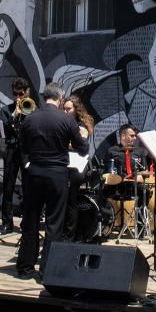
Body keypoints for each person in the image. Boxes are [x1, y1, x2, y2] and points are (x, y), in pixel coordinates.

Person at [16, 81, 89, 277]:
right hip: (57, 173)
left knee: (30, 219)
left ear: (43, 97)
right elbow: (83, 149)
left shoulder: (29, 119)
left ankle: (25, 267)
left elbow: (21, 148)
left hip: (34, 172)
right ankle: (48, 269)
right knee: (54, 222)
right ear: (61, 97)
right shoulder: (66, 120)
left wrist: (28, 165)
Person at [0, 77, 32, 233]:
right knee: (8, 186)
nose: (18, 97)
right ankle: (7, 222)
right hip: (12, 149)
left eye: (21, 94)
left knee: (28, 187)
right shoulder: (6, 110)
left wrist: (26, 113)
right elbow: (5, 131)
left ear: (27, 92)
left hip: (27, 151)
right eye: (15, 94)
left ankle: (27, 221)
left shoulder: (32, 108)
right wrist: (14, 114)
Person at [63, 94, 94, 240]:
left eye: (68, 109)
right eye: (63, 108)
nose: (65, 111)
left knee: (71, 200)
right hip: (66, 164)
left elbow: (78, 143)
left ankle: (70, 234)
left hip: (77, 166)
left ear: (76, 110)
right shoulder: (65, 123)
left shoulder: (81, 125)